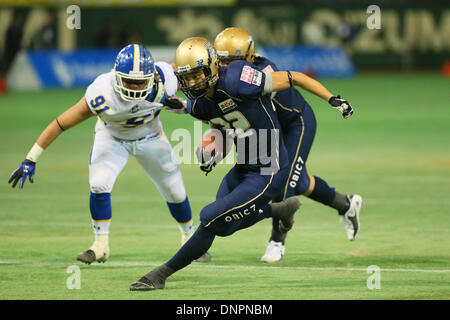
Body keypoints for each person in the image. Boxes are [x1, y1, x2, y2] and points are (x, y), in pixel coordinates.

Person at [129, 36, 354, 291]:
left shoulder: (238, 78)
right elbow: (223, 121)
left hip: (270, 169)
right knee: (224, 225)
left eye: (197, 75)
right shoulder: (199, 104)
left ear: (213, 67)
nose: (193, 82)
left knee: (209, 217)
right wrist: (213, 150)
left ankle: (160, 274)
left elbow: (293, 77)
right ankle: (278, 210)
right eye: (187, 77)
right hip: (244, 166)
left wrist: (331, 99)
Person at [8, 44, 210, 264]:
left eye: (140, 81)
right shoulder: (102, 93)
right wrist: (31, 157)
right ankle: (100, 245)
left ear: (152, 76)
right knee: (99, 183)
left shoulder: (167, 77)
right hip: (112, 138)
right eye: (128, 81)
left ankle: (189, 239)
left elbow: (198, 88)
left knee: (175, 189)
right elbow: (60, 123)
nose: (134, 87)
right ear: (116, 77)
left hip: (150, 137)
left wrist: (188, 106)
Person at [214, 27, 362, 263]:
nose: (225, 66)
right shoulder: (228, 77)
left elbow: (297, 78)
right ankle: (346, 204)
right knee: (299, 180)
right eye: (222, 60)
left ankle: (277, 241)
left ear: (249, 56)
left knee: (283, 183)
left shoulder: (260, 73)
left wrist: (331, 98)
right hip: (272, 130)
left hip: (296, 123)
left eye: (232, 60)